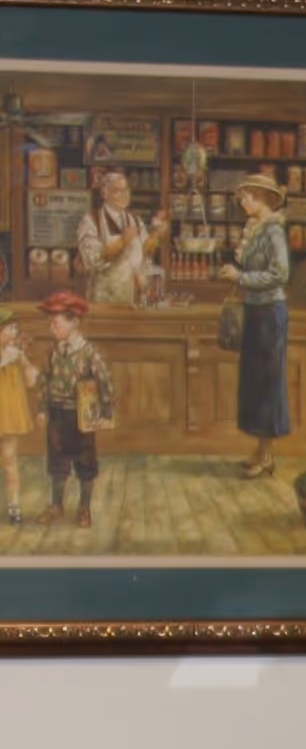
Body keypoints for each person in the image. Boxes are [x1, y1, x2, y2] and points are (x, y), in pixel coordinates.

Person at [221, 174, 291, 479]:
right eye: (241, 198)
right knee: (256, 383)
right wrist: (238, 273)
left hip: (269, 313)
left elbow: (281, 274)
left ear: (262, 198)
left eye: (247, 197)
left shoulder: (273, 231)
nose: (243, 202)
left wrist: (240, 278)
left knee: (268, 384)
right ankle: (263, 452)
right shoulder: (255, 228)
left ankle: (266, 455)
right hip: (255, 310)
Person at [37, 289, 114, 529]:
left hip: (81, 416)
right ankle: (56, 504)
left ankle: (84, 508)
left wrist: (105, 412)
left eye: (56, 322)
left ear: (74, 322)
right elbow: (44, 381)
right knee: (57, 463)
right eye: (51, 322)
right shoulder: (53, 352)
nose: (52, 327)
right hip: (57, 415)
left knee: (85, 464)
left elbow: (105, 382)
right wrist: (41, 408)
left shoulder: (88, 353)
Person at [74, 166, 166, 306]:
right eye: (117, 190)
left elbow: (146, 250)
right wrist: (122, 242)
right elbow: (92, 259)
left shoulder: (134, 220)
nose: (124, 195)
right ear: (104, 193)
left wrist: (157, 233)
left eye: (126, 190)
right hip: (104, 299)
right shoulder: (92, 221)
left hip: (134, 298)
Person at [0, 308, 33, 525]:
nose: (13, 332)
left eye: (14, 328)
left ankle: (14, 506)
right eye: (9, 328)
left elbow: (31, 380)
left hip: (9, 414)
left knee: (10, 460)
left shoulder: (15, 354)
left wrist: (25, 361)